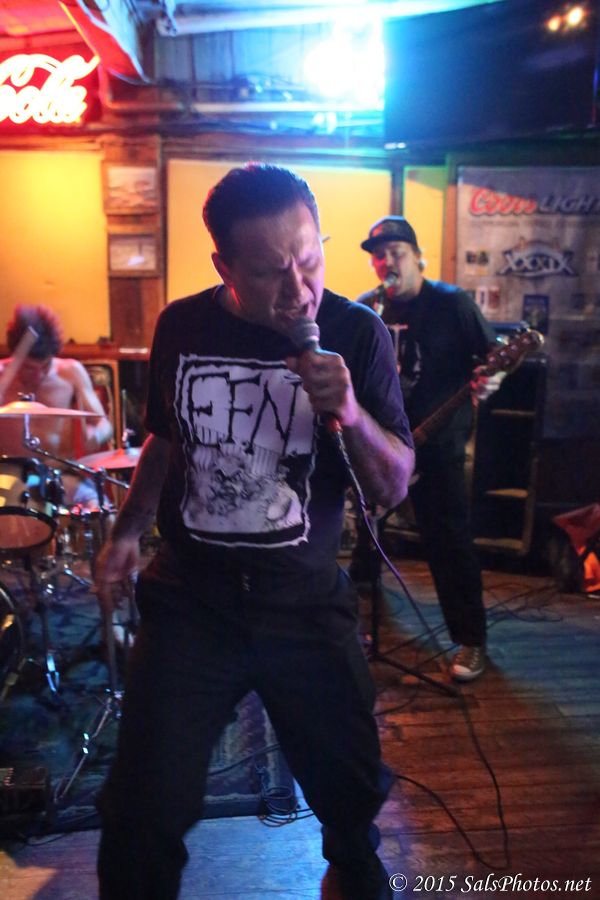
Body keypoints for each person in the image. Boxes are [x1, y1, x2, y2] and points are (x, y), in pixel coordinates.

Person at [93, 164, 415, 900]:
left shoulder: (358, 334)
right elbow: (165, 439)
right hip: (192, 602)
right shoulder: (182, 326)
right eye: (272, 272)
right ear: (225, 269)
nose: (299, 290)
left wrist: (351, 413)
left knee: (351, 796)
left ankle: (350, 867)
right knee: (141, 813)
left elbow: (394, 484)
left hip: (303, 601)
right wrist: (128, 531)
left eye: (310, 259)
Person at [354, 216, 501, 683]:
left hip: (436, 443)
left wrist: (492, 378)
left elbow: (493, 358)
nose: (387, 262)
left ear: (418, 257)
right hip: (381, 444)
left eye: (396, 252)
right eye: (379, 256)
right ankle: (360, 616)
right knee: (365, 530)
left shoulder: (451, 304)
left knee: (448, 540)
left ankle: (471, 639)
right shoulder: (367, 309)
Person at [0, 305, 113, 508]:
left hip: (59, 477)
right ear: (14, 355)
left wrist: (96, 435)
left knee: (103, 512)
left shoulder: (70, 372)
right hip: (8, 477)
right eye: (28, 368)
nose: (38, 376)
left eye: (45, 366)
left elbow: (104, 423)